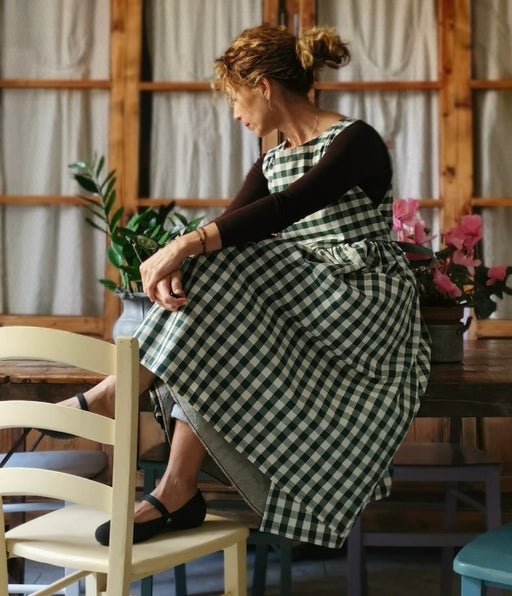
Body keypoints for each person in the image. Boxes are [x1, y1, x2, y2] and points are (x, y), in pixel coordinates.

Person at [58, 23, 431, 548]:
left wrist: (184, 247)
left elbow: (287, 208)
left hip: (360, 299)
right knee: (213, 301)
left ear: (263, 86)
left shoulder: (355, 140)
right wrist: (182, 266)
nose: (236, 114)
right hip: (307, 298)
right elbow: (234, 228)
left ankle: (115, 397)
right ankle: (177, 486)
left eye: (236, 99)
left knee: (216, 258)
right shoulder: (272, 159)